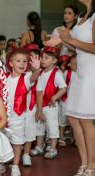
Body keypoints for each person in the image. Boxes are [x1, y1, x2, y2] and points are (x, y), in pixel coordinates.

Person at [56, 0, 95, 175]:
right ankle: (84, 162)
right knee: (73, 118)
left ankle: (92, 166)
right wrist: (63, 41)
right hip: (80, 71)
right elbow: (77, 48)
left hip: (91, 72)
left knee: (86, 120)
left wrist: (70, 39)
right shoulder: (81, 16)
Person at [6, 48, 41, 175]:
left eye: (25, 61)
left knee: (17, 141)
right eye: (18, 61)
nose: (22, 64)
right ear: (10, 63)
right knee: (3, 140)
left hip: (18, 116)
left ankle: (15, 165)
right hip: (4, 116)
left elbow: (34, 77)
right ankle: (2, 161)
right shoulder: (4, 78)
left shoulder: (25, 77)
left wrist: (37, 69)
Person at [32, 46, 67, 159]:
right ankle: (39, 146)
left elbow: (63, 88)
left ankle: (53, 148)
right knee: (39, 126)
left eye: (46, 58)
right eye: (42, 57)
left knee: (52, 127)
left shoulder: (56, 73)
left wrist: (55, 97)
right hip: (40, 105)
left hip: (50, 106)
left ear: (54, 61)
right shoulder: (41, 72)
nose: (42, 60)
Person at [22, 43, 41, 166]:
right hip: (16, 108)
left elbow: (39, 92)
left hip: (30, 107)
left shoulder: (39, 75)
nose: (32, 61)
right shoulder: (19, 73)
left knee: (29, 130)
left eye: (35, 58)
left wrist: (39, 109)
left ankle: (26, 154)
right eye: (30, 58)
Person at [58, 55, 77, 147]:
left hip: (76, 101)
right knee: (63, 119)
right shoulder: (67, 73)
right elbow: (62, 86)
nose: (76, 64)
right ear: (69, 64)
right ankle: (61, 137)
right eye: (74, 63)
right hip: (66, 99)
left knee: (75, 121)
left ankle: (74, 138)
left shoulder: (81, 73)